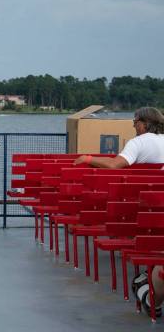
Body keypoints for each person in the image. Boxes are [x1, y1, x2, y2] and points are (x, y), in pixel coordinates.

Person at [74, 107, 164, 317]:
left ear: (144, 123)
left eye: (135, 121)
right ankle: (148, 279)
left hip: (136, 217)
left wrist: (87, 159)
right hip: (158, 215)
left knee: (118, 208)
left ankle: (147, 285)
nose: (133, 125)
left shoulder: (139, 142)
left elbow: (115, 165)